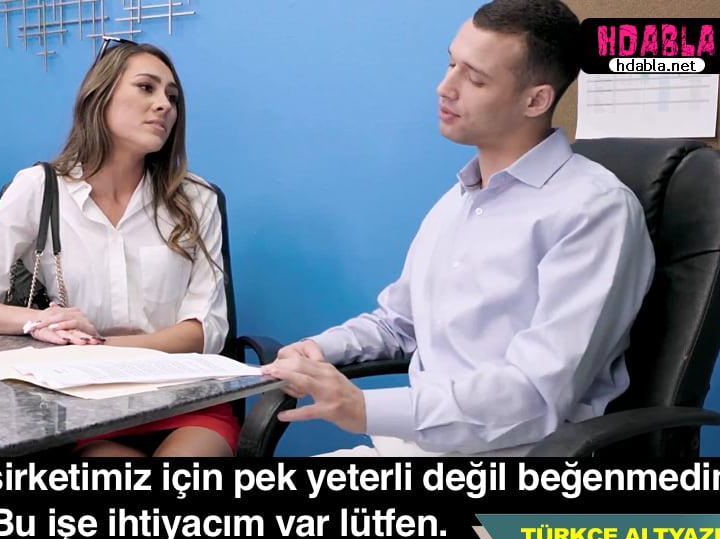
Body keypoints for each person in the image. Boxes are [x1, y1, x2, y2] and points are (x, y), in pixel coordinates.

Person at [261, 0, 656, 457]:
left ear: (536, 100)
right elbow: (399, 324)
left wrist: (364, 408)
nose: (445, 88)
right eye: (451, 64)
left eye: (475, 78)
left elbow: (535, 394)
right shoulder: (458, 201)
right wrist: (319, 348)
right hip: (407, 447)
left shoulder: (594, 210)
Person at [0, 38, 237, 458]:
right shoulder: (40, 188)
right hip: (83, 404)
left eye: (172, 97)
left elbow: (205, 330)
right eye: (146, 87)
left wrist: (97, 349)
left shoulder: (196, 199)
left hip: (183, 396)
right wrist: (39, 322)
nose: (164, 105)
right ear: (100, 97)